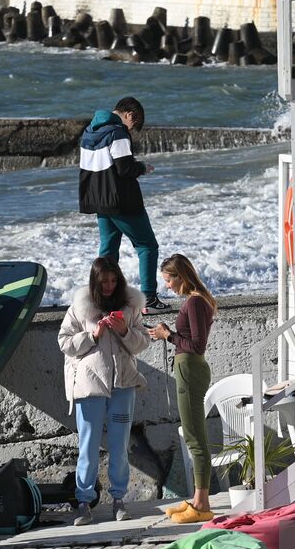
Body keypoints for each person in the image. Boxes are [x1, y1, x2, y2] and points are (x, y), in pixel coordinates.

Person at [59, 256, 151, 525]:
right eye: (104, 281)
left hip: (123, 385)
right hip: (89, 387)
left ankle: (119, 500)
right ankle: (83, 502)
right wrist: (92, 336)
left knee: (119, 445)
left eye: (113, 281)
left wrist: (124, 331)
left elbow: (142, 343)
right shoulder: (80, 307)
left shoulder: (131, 307)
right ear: (95, 282)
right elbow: (64, 342)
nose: (109, 286)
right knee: (87, 446)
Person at [78, 96, 169, 314]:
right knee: (147, 246)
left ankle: (103, 300)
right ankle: (148, 299)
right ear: (130, 114)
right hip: (122, 202)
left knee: (108, 254)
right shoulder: (117, 133)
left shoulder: (89, 132)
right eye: (134, 123)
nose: (133, 127)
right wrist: (143, 167)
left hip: (100, 203)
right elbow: (124, 168)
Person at [149, 254, 218, 524]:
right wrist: (166, 334)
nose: (167, 286)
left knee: (195, 438)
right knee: (192, 436)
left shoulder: (195, 302)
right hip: (187, 368)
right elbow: (188, 340)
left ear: (181, 276)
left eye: (168, 280)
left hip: (191, 369)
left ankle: (202, 504)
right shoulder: (194, 301)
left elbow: (198, 345)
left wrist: (170, 336)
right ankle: (198, 499)